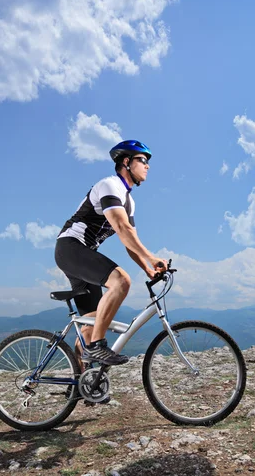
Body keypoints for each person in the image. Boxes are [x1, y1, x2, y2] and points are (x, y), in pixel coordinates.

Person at [54, 140, 168, 367]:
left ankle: (82, 385)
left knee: (88, 328)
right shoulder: (109, 185)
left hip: (81, 254)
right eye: (143, 160)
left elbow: (129, 241)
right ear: (126, 162)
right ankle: (98, 345)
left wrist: (147, 268)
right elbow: (122, 228)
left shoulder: (129, 201)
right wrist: (152, 257)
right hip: (71, 248)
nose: (148, 166)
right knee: (121, 281)